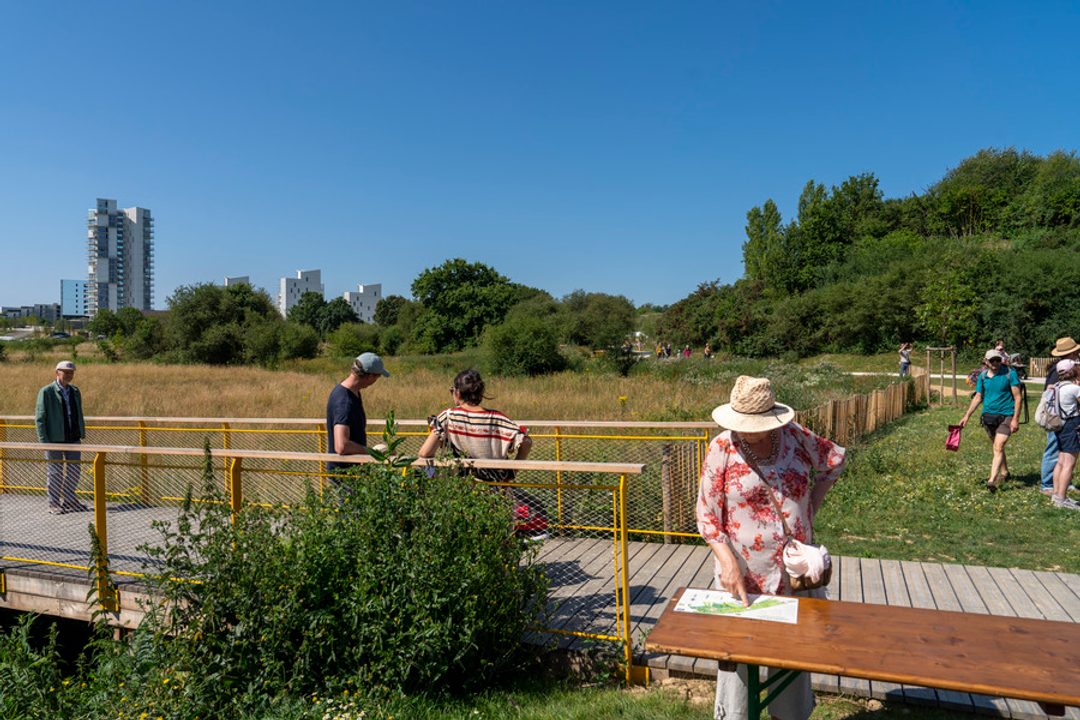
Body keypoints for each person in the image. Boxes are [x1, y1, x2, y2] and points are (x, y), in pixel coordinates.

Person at [697, 375, 845, 720]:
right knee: (738, 660)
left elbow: (835, 461)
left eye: (757, 424)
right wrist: (727, 561)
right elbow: (707, 515)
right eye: (743, 424)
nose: (748, 430)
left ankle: (787, 715)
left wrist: (809, 509)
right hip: (742, 573)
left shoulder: (795, 437)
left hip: (793, 572)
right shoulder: (721, 447)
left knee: (792, 653)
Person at [417, 368, 547, 539]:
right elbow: (526, 441)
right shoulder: (498, 418)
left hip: (462, 493)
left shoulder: (448, 417)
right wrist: (511, 471)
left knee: (465, 539)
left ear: (456, 392)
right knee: (498, 540)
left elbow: (425, 453)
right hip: (497, 494)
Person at [958, 349, 1022, 492]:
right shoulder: (982, 377)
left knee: (998, 446)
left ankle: (992, 480)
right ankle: (1005, 472)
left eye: (998, 360)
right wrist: (966, 416)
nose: (995, 363)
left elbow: (1018, 397)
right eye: (992, 360)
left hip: (1006, 415)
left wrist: (1015, 419)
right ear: (986, 361)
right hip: (988, 417)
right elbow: (978, 397)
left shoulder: (1009, 374)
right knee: (997, 447)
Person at [35, 360, 87, 515]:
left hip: (72, 437)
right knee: (55, 471)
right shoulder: (47, 391)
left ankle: (70, 499)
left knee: (74, 470)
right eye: (66, 372)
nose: (69, 375)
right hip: (54, 439)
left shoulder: (75, 391)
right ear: (57, 372)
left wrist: (80, 431)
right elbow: (40, 417)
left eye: (71, 372)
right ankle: (54, 503)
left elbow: (78, 413)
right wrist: (44, 441)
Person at [325, 352, 390, 476]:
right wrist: (374, 453)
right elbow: (341, 446)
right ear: (370, 376)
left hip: (352, 470)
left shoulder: (350, 392)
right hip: (344, 473)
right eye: (377, 377)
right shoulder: (344, 402)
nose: (375, 382)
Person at [1041, 337, 1080, 496]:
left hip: (1059, 415)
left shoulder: (1063, 367)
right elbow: (1050, 390)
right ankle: (1047, 484)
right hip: (1059, 417)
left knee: (1062, 453)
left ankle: (1063, 484)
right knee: (1054, 449)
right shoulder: (1061, 370)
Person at [1049, 359, 1080, 510]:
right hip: (1072, 425)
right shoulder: (1074, 389)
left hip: (1060, 425)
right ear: (1072, 371)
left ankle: (1056, 495)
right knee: (1069, 463)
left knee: (1061, 461)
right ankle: (1061, 498)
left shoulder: (1056, 387)